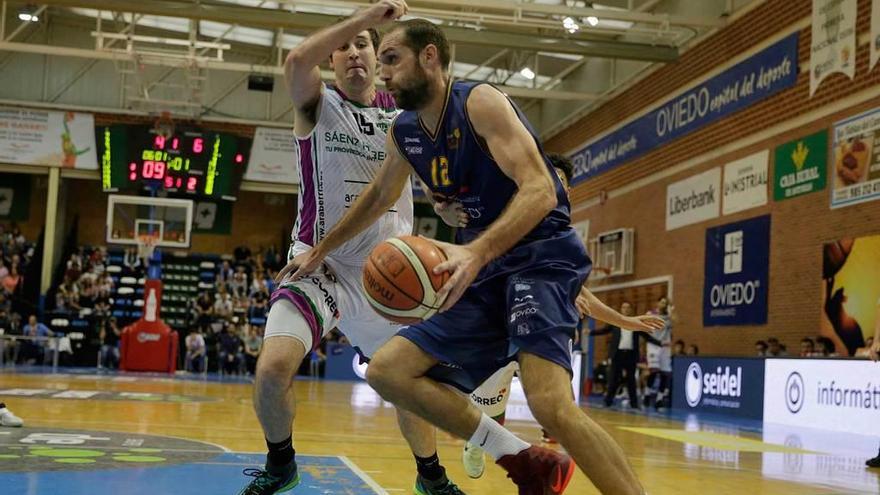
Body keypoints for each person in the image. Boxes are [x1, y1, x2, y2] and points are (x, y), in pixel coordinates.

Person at [282, 17, 645, 494]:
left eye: (391, 59)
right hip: (485, 267)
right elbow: (375, 199)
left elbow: (540, 190)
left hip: (539, 257)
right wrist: (320, 250)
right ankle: (523, 460)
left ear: (429, 57)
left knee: (550, 404)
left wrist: (475, 250)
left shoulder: (480, 102)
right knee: (389, 371)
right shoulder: (406, 132)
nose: (383, 73)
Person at [239, 4, 463, 494]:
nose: (353, 53)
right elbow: (298, 61)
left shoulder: (402, 112)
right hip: (320, 262)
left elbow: (420, 169)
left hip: (388, 273)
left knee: (406, 386)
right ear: (334, 60)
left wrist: (440, 202)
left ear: (378, 56)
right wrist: (366, 14)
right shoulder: (316, 104)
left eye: (364, 44)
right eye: (343, 47)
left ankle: (432, 477)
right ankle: (281, 463)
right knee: (273, 368)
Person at [456, 155, 662, 476]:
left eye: (561, 182)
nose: (554, 185)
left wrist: (628, 323)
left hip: (539, 331)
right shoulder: (509, 218)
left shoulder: (564, 239)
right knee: (490, 408)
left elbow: (584, 296)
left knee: (559, 410)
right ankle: (479, 441)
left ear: (567, 192)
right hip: (498, 328)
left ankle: (568, 461)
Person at [590, 302, 663, 410]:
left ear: (631, 310)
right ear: (621, 309)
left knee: (631, 380)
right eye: (624, 307)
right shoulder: (615, 322)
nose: (626, 309)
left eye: (628, 307)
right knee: (613, 378)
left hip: (631, 355)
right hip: (617, 354)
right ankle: (608, 401)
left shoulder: (635, 323)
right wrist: (590, 332)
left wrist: (660, 343)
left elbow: (647, 336)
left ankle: (634, 404)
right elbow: (604, 330)